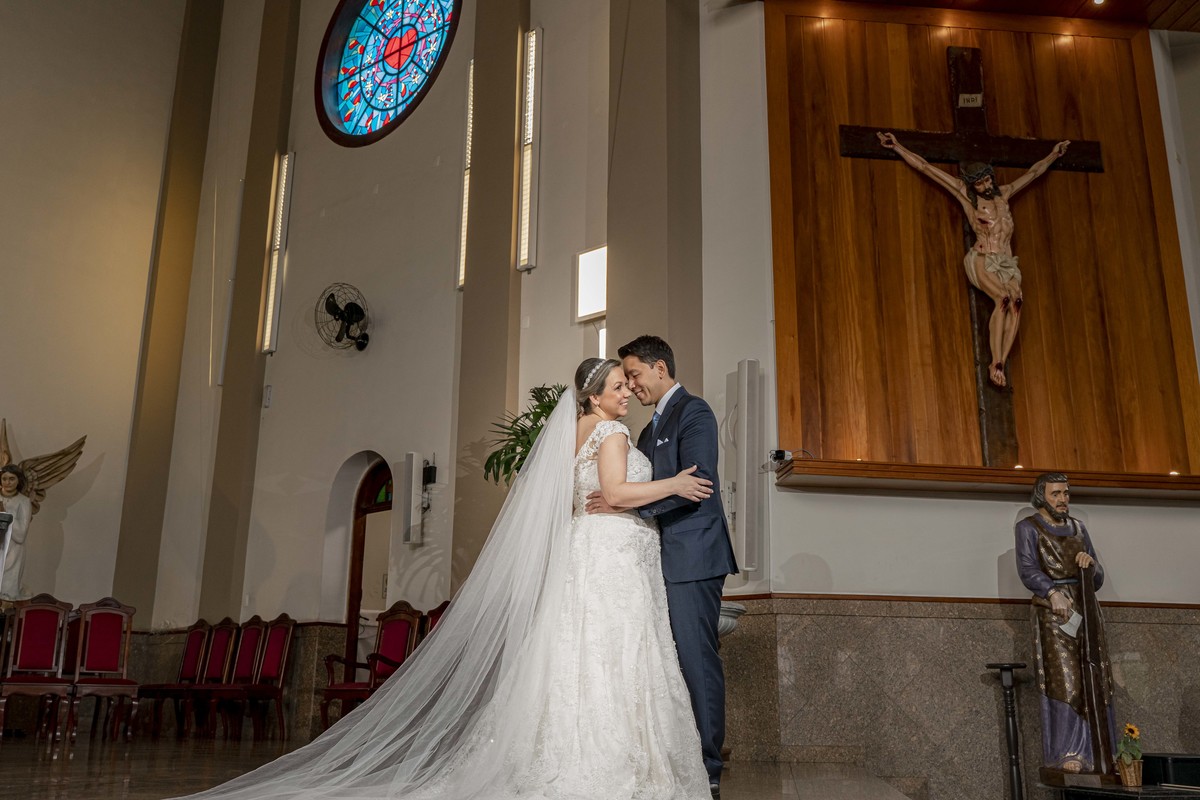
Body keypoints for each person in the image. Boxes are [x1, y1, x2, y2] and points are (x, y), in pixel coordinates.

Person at [177, 358, 715, 800]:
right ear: (595, 396)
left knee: (578, 655)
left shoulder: (574, 436)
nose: (626, 393)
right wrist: (674, 483)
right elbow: (615, 494)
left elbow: (583, 498)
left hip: (587, 552)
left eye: (626, 384)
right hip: (612, 554)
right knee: (618, 654)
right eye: (618, 386)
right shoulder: (613, 430)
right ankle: (617, 762)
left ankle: (557, 752)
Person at [587, 335, 738, 798]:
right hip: (654, 560)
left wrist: (626, 506)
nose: (631, 385)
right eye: (624, 379)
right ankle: (677, 757)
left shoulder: (694, 412)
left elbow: (698, 482)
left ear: (659, 368)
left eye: (634, 375)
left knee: (695, 659)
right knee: (665, 665)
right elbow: (653, 486)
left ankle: (708, 765)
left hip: (693, 554)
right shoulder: (645, 432)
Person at [876, 132, 1069, 387]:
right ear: (971, 185)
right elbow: (926, 168)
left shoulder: (1004, 194)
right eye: (979, 183)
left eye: (988, 179)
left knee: (1017, 302)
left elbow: (1034, 173)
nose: (986, 185)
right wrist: (897, 147)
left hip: (1006, 261)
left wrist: (1054, 155)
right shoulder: (966, 196)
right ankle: (994, 362)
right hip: (982, 257)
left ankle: (1001, 360)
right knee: (1003, 298)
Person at [1015, 472, 1115, 775]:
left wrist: (1091, 565)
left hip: (1086, 606)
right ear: (1041, 496)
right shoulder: (1028, 527)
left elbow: (1097, 579)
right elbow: (1027, 568)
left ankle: (1100, 749)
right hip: (1055, 611)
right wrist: (1052, 592)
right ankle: (1067, 750)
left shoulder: (1079, 528)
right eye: (1056, 494)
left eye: (1066, 493)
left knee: (1094, 674)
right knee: (1065, 678)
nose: (1062, 500)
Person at [0, 465, 32, 601]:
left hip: (13, 550)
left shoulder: (23, 501)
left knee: (7, 590)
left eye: (12, 479)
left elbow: (21, 535)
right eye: (4, 479)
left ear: (19, 480)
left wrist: (6, 515)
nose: (7, 482)